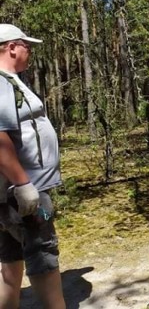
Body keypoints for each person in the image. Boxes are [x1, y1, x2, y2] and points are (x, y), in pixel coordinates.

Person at [0, 24, 66, 308]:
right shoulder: (2, 83)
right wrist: (24, 185)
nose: (30, 51)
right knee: (44, 261)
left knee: (10, 263)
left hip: (13, 191)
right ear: (11, 47)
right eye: (26, 45)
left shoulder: (12, 81)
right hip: (24, 193)